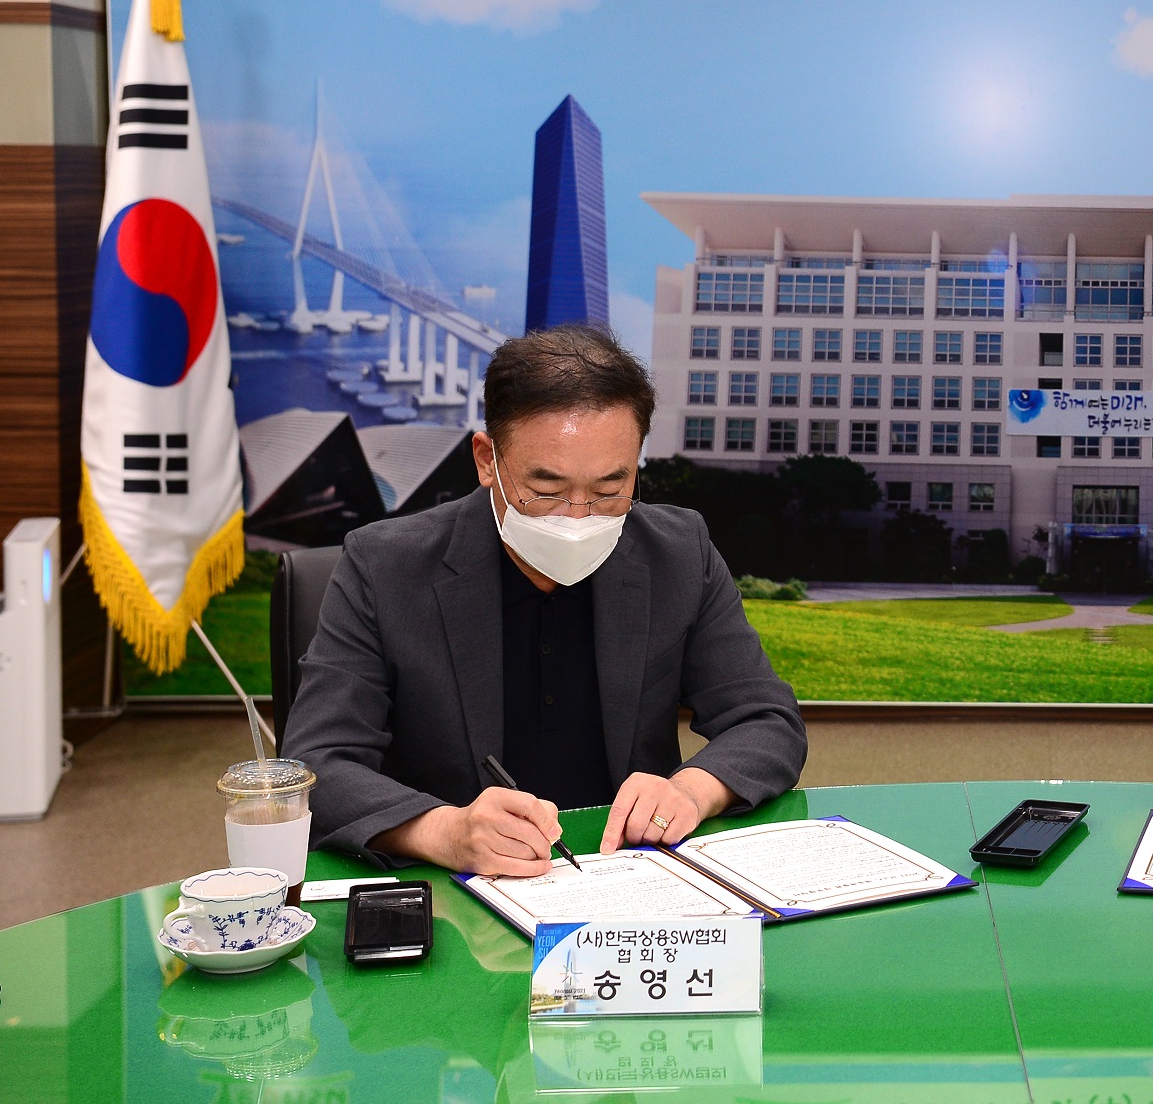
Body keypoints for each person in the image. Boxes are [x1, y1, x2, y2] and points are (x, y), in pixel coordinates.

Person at [285, 323, 807, 876]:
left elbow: (766, 720)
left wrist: (692, 791)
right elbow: (317, 764)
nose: (578, 517)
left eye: (609, 490)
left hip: (627, 875)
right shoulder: (384, 566)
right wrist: (444, 831)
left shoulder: (677, 552)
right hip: (450, 889)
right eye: (547, 491)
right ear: (487, 460)